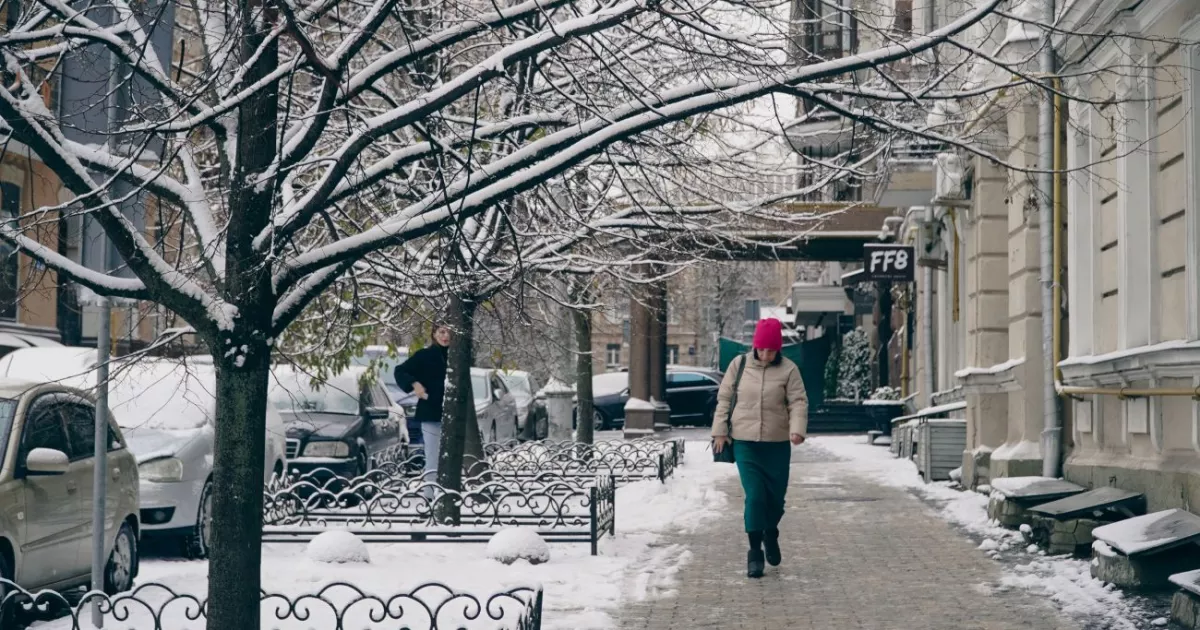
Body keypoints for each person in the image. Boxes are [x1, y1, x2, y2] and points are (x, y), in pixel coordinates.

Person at [711, 317, 808, 579]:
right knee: (755, 497)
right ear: (754, 347)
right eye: (761, 349)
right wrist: (720, 430)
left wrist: (797, 429)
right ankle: (755, 554)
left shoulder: (789, 370)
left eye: (771, 350)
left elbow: (798, 401)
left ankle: (770, 532)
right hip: (745, 443)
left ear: (778, 349)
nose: (765, 355)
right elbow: (725, 397)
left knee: (775, 501)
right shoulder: (739, 365)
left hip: (776, 444)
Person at [394, 323, 452, 490]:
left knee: (451, 458)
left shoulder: (458, 355)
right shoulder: (425, 356)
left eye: (449, 332)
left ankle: (448, 492)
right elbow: (400, 371)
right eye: (441, 332)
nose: (445, 336)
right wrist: (414, 384)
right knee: (433, 457)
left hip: (454, 414)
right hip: (431, 413)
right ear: (434, 334)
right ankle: (431, 495)